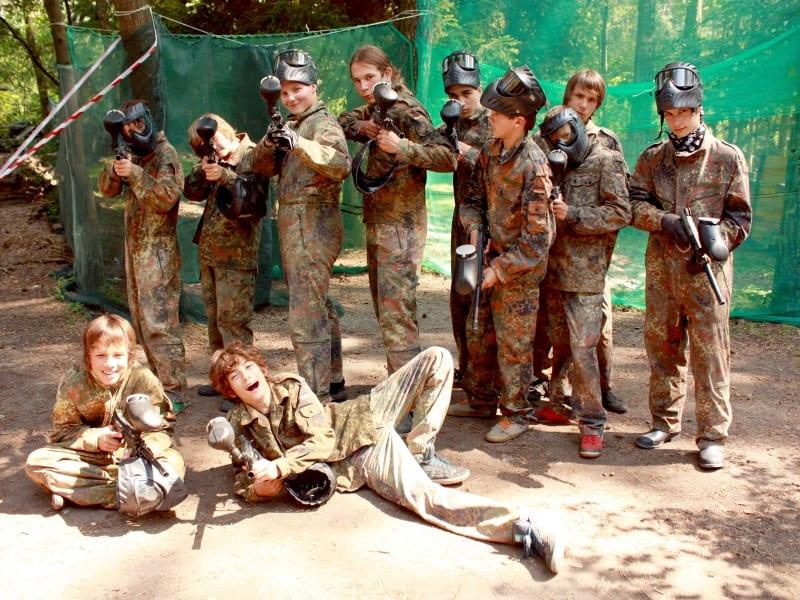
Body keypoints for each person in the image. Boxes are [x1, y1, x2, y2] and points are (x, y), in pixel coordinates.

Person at [208, 342, 566, 574]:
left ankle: (420, 452)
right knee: (426, 499)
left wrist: (281, 466)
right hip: (361, 457)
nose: (246, 376)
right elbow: (245, 479)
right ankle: (525, 525)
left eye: (249, 367)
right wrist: (262, 489)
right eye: (235, 377)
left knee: (437, 357)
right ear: (231, 391)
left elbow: (324, 438)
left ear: (261, 368)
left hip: (361, 418)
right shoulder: (237, 427)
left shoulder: (292, 386)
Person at [629, 62, 751, 469]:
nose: (677, 121)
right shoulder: (653, 159)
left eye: (684, 112)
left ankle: (712, 435)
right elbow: (632, 204)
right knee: (662, 350)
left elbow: (740, 217)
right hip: (662, 274)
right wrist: (663, 221)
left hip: (706, 277)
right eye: (669, 114)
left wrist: (717, 243)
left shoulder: (727, 158)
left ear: (699, 109)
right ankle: (664, 422)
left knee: (710, 355)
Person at [339, 45, 457, 375]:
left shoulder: (406, 109)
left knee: (397, 314)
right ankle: (401, 382)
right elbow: (344, 119)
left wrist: (400, 146)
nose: (363, 86)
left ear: (387, 74)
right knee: (386, 312)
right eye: (357, 80)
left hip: (402, 227)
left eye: (369, 78)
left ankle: (407, 391)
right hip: (380, 220)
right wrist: (361, 128)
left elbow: (447, 157)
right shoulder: (377, 105)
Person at [459, 66, 554, 443]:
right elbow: (472, 200)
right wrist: (474, 230)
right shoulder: (491, 151)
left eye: (497, 114)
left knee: (514, 345)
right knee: (478, 333)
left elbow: (538, 241)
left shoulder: (535, 165)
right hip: (489, 257)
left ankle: (516, 412)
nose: (490, 118)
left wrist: (499, 270)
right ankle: (481, 400)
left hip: (519, 273)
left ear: (518, 121)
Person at [250, 49, 349, 404]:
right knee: (315, 303)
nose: (291, 97)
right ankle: (332, 381)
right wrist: (270, 144)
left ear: (314, 86)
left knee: (305, 313)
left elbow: (340, 164)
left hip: (314, 224)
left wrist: (299, 144)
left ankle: (314, 396)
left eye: (298, 89)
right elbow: (259, 167)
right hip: (297, 224)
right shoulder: (292, 124)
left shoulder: (322, 123)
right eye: (285, 92)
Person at [537, 106, 630, 458]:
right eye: (554, 139)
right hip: (552, 269)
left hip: (587, 274)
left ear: (578, 128)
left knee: (583, 349)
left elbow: (621, 213)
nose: (560, 143)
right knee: (560, 346)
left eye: (565, 135)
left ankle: (592, 423)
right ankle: (559, 405)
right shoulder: (551, 163)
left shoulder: (606, 160)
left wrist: (573, 215)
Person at [25, 314, 187, 514]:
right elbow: (62, 431)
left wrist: (145, 448)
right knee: (37, 462)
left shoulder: (143, 379)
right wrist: (96, 439)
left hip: (135, 457)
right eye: (101, 355)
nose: (110, 364)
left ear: (129, 355)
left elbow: (162, 428)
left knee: (174, 462)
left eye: (118, 355)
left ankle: (74, 492)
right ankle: (130, 495)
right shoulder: (74, 383)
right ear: (88, 356)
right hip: (90, 458)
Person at [97, 99, 187, 411]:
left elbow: (166, 198)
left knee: (159, 323)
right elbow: (107, 190)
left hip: (158, 251)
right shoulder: (133, 154)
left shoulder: (165, 154)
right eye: (126, 128)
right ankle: (157, 383)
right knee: (141, 319)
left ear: (146, 121)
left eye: (135, 125)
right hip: (135, 249)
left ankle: (174, 389)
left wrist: (135, 173)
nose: (132, 132)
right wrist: (115, 169)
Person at [184, 113, 264, 408]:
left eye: (214, 138)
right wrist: (203, 167)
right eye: (204, 144)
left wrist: (226, 176)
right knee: (216, 322)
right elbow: (190, 192)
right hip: (210, 253)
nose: (213, 145)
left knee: (235, 325)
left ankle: (244, 388)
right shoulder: (212, 160)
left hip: (237, 256)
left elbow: (257, 200)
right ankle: (223, 380)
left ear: (227, 131)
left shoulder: (253, 155)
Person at [562, 69, 627, 415]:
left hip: (590, 259)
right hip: (550, 255)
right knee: (551, 330)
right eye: (579, 96)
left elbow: (619, 208)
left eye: (591, 100)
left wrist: (577, 219)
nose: (584, 105)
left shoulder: (607, 144)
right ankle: (550, 387)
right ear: (568, 95)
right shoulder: (545, 137)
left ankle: (603, 389)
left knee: (597, 328)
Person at [436, 50, 494, 406]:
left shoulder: (495, 121)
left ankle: (485, 380)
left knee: (482, 302)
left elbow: (501, 163)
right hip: (462, 220)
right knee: (460, 296)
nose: (460, 101)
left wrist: (465, 151)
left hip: (491, 224)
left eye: (467, 94)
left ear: (480, 90)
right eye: (454, 95)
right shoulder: (452, 122)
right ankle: (467, 366)